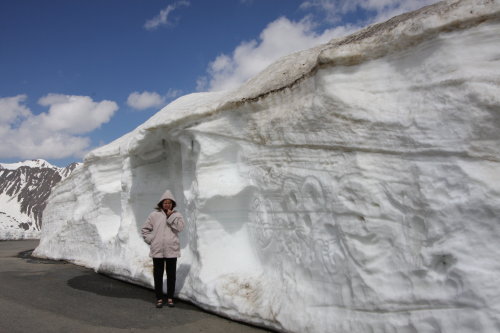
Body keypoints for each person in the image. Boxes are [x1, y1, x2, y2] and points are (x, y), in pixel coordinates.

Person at [141, 190, 185, 308]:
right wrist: (152, 240)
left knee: (171, 275)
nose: (167, 205)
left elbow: (180, 228)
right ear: (161, 203)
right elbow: (145, 230)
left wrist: (171, 216)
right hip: (157, 250)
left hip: (172, 249)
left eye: (169, 203)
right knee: (158, 275)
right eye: (165, 202)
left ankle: (170, 297)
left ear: (172, 204)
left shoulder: (177, 215)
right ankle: (159, 298)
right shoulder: (154, 215)